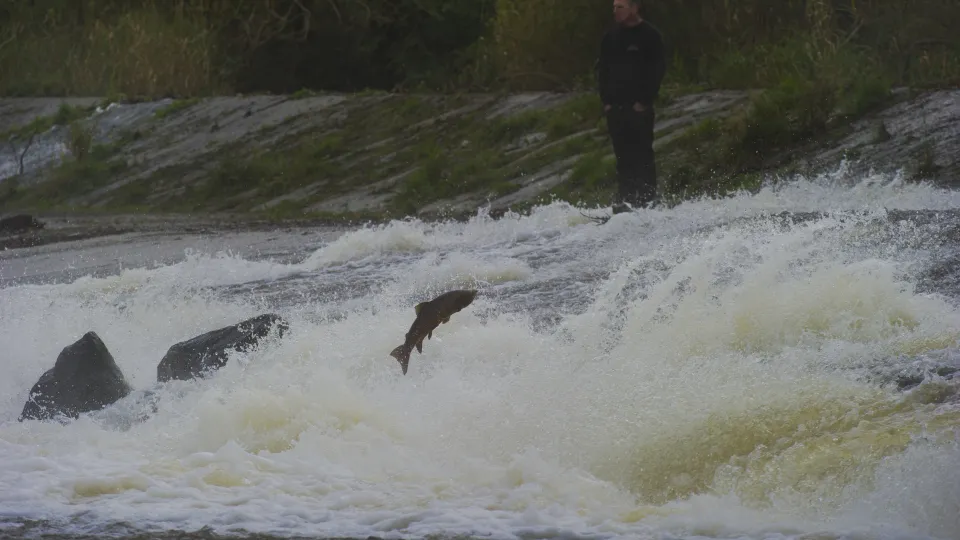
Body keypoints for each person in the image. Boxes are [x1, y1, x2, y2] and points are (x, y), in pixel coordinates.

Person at [597, 0, 666, 213]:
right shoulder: (610, 37)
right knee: (623, 157)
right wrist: (606, 102)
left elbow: (657, 70)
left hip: (639, 108)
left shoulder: (650, 35)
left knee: (643, 154)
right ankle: (625, 201)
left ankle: (648, 201)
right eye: (614, 7)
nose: (615, 11)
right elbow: (602, 70)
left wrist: (644, 101)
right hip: (616, 109)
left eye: (620, 7)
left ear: (634, 8)